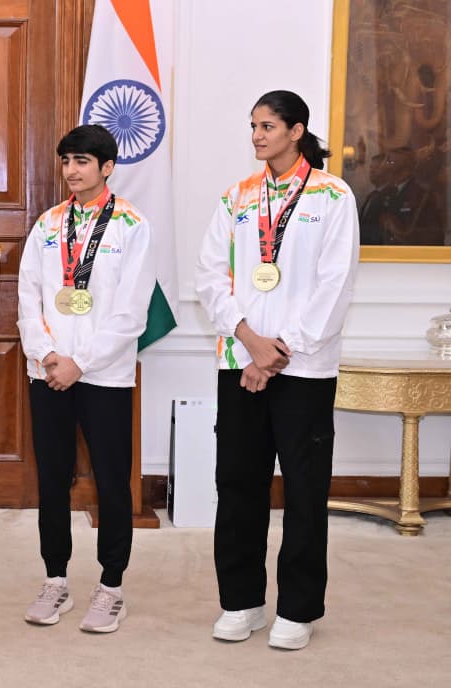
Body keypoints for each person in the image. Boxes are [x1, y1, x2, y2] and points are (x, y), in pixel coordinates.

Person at [195, 90, 359, 650]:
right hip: (240, 360)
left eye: (267, 126)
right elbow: (209, 277)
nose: (257, 136)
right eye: (253, 126)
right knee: (237, 484)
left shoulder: (333, 195)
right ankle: (242, 602)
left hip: (304, 368)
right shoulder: (237, 197)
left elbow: (335, 286)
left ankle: (299, 608)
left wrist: (280, 350)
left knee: (305, 489)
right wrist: (249, 339)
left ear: (296, 130)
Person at [16, 124, 156, 633]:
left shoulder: (132, 226)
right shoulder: (48, 225)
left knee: (111, 483)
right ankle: (55, 580)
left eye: (82, 162)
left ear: (107, 167)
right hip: (48, 372)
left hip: (104, 376)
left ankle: (111, 586)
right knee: (52, 480)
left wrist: (83, 361)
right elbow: (28, 296)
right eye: (67, 161)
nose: (72, 171)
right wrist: (48, 354)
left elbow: (131, 311)